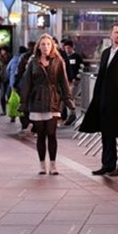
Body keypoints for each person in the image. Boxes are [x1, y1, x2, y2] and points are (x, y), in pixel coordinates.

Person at [80, 24, 118, 177]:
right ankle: (107, 165)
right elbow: (102, 75)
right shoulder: (106, 53)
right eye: (116, 32)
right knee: (107, 134)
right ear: (111, 35)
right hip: (105, 100)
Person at [19, 34, 74, 175]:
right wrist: (23, 103)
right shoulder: (33, 62)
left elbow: (64, 82)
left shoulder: (58, 61)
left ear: (52, 46)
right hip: (37, 100)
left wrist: (68, 100)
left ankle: (53, 165)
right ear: (39, 46)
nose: (46, 47)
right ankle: (42, 164)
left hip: (53, 100)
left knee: (51, 133)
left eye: (48, 44)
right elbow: (27, 83)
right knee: (41, 134)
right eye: (43, 44)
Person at [62, 39, 84, 125]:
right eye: (66, 48)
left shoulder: (77, 57)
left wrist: (76, 78)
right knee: (68, 98)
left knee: (70, 97)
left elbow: (81, 68)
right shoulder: (66, 58)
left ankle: (71, 115)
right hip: (67, 81)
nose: (67, 50)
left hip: (75, 82)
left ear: (72, 47)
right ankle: (71, 115)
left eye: (68, 48)